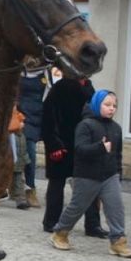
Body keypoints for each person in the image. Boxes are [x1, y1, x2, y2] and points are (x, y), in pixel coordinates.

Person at [50, 91, 131, 258]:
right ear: (97, 105)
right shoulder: (85, 125)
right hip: (86, 176)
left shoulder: (116, 128)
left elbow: (117, 155)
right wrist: (100, 147)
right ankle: (60, 233)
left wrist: (118, 174)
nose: (111, 109)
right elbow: (80, 150)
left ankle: (118, 241)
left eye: (114, 106)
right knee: (77, 207)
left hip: (110, 176)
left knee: (116, 207)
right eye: (107, 105)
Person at [41, 74, 104, 236]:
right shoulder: (61, 87)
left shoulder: (89, 88)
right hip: (61, 143)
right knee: (57, 183)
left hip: (83, 143)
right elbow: (48, 116)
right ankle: (51, 221)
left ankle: (92, 225)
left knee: (90, 184)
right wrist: (54, 143)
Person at [18, 68, 48, 207]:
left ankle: (30, 188)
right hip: (19, 115)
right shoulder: (19, 70)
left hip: (37, 116)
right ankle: (16, 188)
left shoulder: (46, 73)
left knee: (30, 152)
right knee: (14, 152)